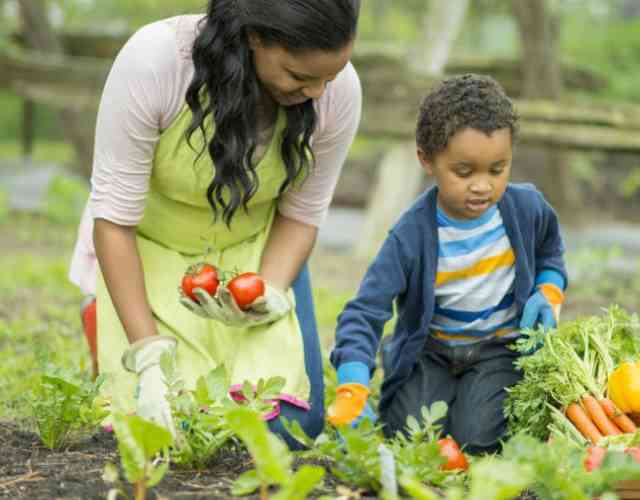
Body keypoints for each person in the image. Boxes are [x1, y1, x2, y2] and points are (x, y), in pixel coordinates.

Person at [68, 0, 362, 448]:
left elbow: (302, 214)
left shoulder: (336, 94)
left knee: (284, 429)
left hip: (254, 254)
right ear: (254, 36)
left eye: (330, 76)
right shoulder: (156, 62)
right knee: (167, 428)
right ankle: (105, 320)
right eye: (300, 77)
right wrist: (147, 359)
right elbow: (114, 222)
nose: (319, 92)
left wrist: (269, 292)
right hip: (148, 250)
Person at [326, 74, 567, 453]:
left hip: (496, 350)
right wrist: (353, 384)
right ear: (427, 159)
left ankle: (472, 405)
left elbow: (550, 250)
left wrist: (548, 288)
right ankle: (417, 379)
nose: (483, 186)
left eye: (497, 169)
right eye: (464, 172)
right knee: (409, 438)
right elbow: (364, 311)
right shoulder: (411, 235)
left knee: (478, 439)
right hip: (432, 352)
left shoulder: (526, 208)